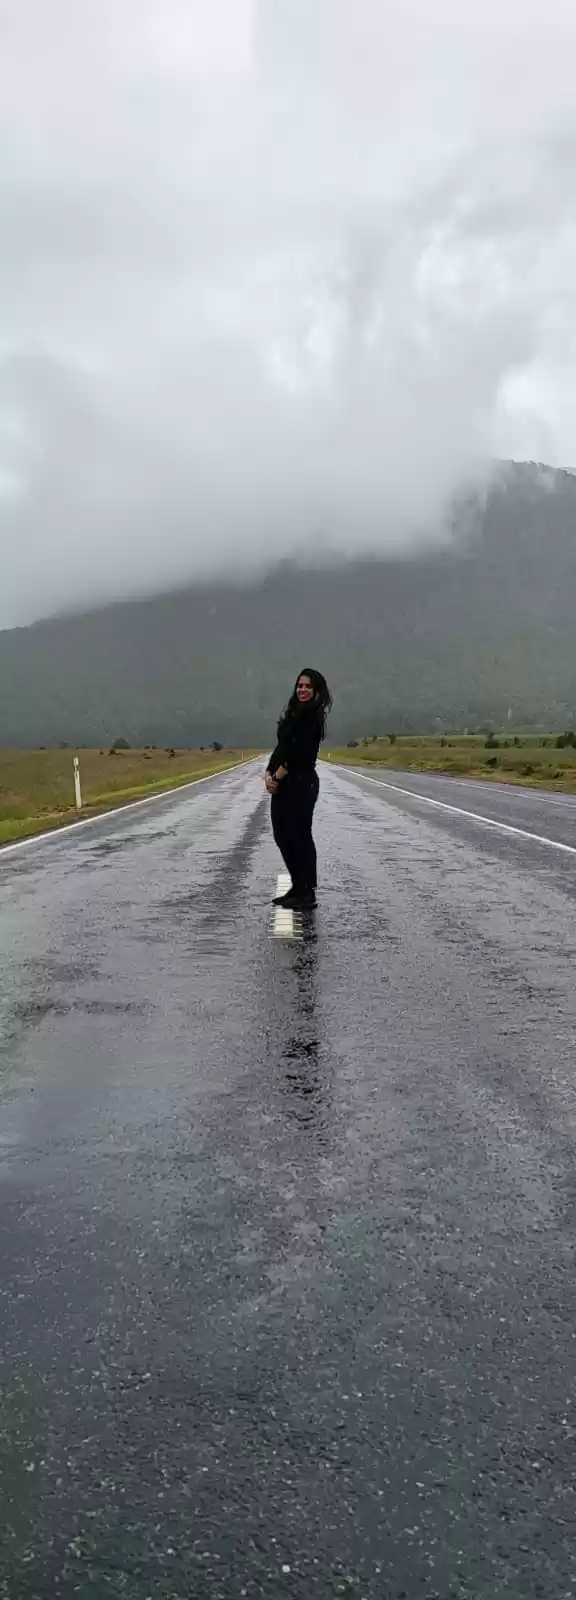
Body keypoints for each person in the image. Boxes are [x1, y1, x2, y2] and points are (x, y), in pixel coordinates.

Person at [265, 668, 333, 909]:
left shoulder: (313, 716)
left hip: (302, 781)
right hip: (285, 781)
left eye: (308, 687)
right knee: (282, 834)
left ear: (316, 691)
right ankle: (297, 885)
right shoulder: (293, 714)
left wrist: (278, 777)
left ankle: (307, 891)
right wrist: (268, 773)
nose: (302, 690)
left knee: (300, 835)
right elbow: (281, 746)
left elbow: (298, 753)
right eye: (300, 686)